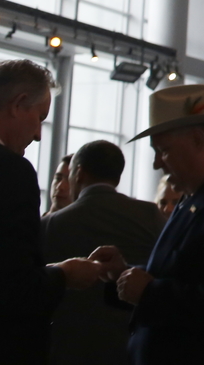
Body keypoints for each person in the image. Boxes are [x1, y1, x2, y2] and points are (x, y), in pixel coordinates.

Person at [92, 82, 204, 365]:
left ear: (198, 139)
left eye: (163, 150)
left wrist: (149, 292)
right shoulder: (196, 200)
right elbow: (184, 276)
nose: (157, 164)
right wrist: (124, 275)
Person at [0, 60, 106, 364]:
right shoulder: (9, 170)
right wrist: (63, 274)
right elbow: (12, 287)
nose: (39, 135)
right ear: (18, 105)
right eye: (40, 117)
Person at [43, 139, 166, 365]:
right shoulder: (152, 216)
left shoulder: (51, 225)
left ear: (78, 173)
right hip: (130, 348)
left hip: (67, 348)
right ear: (117, 177)